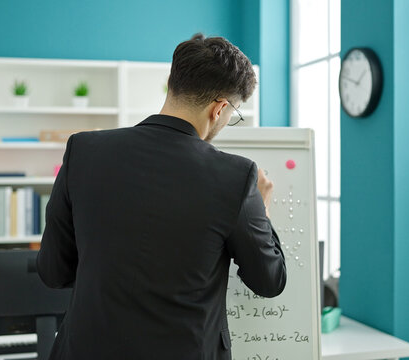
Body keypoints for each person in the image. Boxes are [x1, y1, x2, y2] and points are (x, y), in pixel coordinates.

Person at [37, 33, 287, 360]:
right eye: (233, 113)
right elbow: (269, 281)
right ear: (220, 108)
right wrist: (262, 210)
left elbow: (53, 272)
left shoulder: (83, 150)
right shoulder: (237, 177)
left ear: (172, 82)